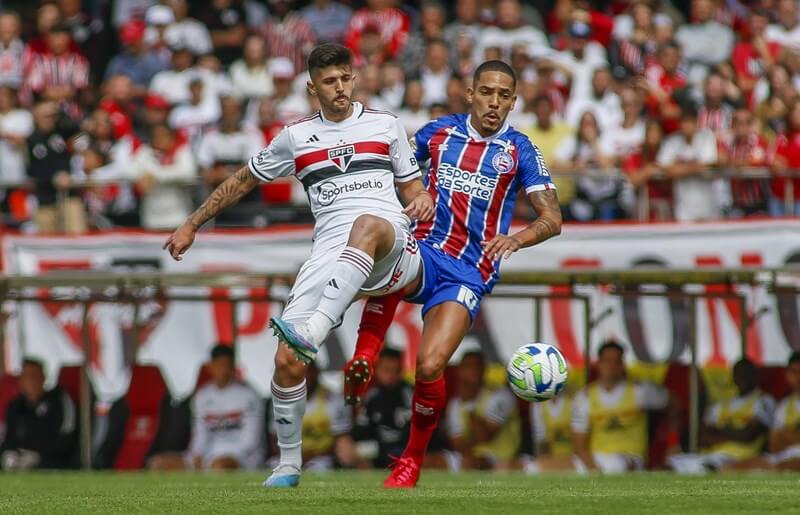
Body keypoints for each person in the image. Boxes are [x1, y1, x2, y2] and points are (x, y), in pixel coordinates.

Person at [164, 43, 434, 488]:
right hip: (329, 252)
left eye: (346, 77)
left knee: (367, 224)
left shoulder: (386, 125)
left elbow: (413, 189)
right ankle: (289, 465)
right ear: (313, 87)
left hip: (390, 244)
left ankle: (314, 330)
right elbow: (243, 180)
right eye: (330, 81)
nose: (341, 87)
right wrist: (192, 222)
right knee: (288, 361)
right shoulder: (295, 137)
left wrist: (421, 198)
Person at [343, 60, 562, 488]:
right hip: (426, 250)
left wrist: (515, 240)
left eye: (503, 95)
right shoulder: (437, 133)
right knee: (390, 260)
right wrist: (419, 192)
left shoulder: (520, 149)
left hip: (469, 272)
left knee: (429, 366)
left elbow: (552, 217)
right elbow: (392, 171)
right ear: (470, 92)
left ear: (513, 102)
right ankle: (364, 357)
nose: (494, 102)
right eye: (486, 92)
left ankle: (411, 461)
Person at [571, 340, 677, 473]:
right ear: (599, 364)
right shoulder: (584, 397)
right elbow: (579, 444)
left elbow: (673, 404)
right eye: (607, 361)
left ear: (623, 365)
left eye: (616, 361)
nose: (611, 366)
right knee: (547, 465)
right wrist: (592, 467)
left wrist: (673, 441)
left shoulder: (640, 392)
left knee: (615, 464)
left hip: (631, 459)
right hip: (596, 459)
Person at [668, 359, 775, 473]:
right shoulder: (721, 405)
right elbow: (702, 435)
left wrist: (718, 431)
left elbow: (748, 435)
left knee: (705, 468)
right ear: (733, 377)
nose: (742, 378)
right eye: (738, 374)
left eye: (746, 374)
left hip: (741, 457)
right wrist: (736, 432)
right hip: (711, 454)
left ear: (755, 376)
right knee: (672, 464)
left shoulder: (763, 401)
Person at [186, 344, 265, 471]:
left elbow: (251, 441)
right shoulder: (202, 396)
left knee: (219, 466)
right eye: (218, 365)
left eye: (226, 365)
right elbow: (200, 434)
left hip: (242, 456)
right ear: (210, 367)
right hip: (209, 454)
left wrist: (215, 456)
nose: (222, 370)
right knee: (160, 464)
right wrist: (198, 454)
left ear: (233, 367)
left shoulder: (249, 395)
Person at [269, 361, 354, 471]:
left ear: (316, 373)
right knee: (272, 466)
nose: (302, 377)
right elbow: (274, 438)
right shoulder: (281, 401)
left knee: (320, 468)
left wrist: (312, 455)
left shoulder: (333, 400)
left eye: (306, 372)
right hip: (289, 457)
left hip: (321, 458)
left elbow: (340, 440)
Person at [444, 351, 521, 471]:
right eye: (468, 366)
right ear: (460, 371)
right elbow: (457, 443)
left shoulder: (501, 395)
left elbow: (484, 436)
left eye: (477, 365)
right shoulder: (455, 403)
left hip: (500, 458)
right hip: (468, 457)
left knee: (472, 464)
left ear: (485, 369)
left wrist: (469, 404)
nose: (473, 370)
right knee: (431, 461)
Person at [0, 359, 77, 470]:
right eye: (27, 376)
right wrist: (9, 453)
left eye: (35, 376)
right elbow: (7, 437)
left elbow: (68, 438)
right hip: (19, 461)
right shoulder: (15, 406)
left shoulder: (59, 400)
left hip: (54, 462)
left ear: (43, 378)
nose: (31, 381)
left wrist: (39, 457)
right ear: (21, 380)